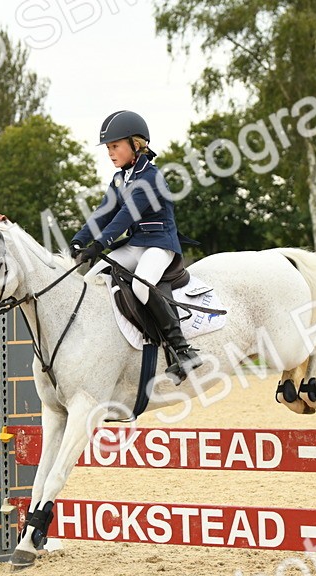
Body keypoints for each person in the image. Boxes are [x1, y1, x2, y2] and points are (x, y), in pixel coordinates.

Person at [71, 110, 202, 384]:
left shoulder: (150, 177)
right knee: (91, 279)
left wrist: (99, 244)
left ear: (136, 144)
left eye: (115, 146)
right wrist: (79, 241)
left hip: (159, 244)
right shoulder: (121, 178)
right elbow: (103, 213)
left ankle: (182, 349)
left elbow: (124, 217)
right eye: (108, 147)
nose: (110, 152)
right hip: (135, 244)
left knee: (142, 285)